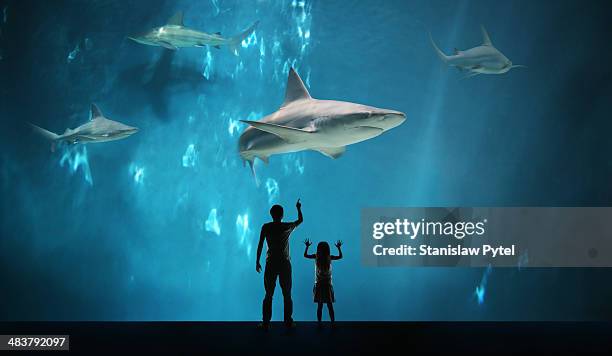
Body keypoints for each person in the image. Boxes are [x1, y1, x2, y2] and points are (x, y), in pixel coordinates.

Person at [256, 199, 303, 329]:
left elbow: (260, 244)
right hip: (284, 263)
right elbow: (300, 220)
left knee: (268, 294)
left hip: (270, 263)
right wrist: (298, 208)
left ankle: (266, 322)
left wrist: (257, 261)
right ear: (282, 215)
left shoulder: (266, 227)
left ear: (271, 214)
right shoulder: (286, 227)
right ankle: (288, 321)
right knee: (287, 294)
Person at [303, 239, 343, 326]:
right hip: (325, 284)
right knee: (328, 305)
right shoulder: (328, 257)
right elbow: (340, 256)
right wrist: (339, 248)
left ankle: (321, 323)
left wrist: (307, 247)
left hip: (321, 284)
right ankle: (331, 323)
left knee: (322, 305)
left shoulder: (318, 256)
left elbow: (305, 255)